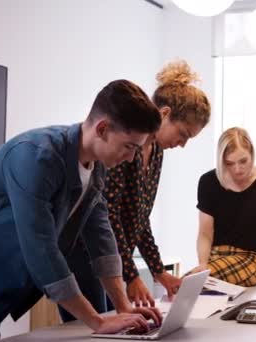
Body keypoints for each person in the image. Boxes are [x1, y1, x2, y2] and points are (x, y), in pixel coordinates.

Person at [0, 80, 164, 341]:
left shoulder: (95, 168)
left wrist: (123, 307)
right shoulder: (36, 157)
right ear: (102, 129)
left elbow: (101, 238)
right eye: (129, 147)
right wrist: (97, 321)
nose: (131, 158)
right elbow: (41, 249)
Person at [60, 60, 211, 322]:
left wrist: (158, 271)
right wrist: (130, 275)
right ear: (164, 114)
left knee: (121, 324)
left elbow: (140, 217)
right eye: (183, 134)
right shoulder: (124, 149)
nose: (183, 144)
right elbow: (107, 216)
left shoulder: (157, 153)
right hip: (87, 254)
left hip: (115, 260)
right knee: (94, 329)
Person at [192, 127, 256, 288]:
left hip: (252, 259)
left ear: (252, 153)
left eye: (243, 161)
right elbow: (205, 233)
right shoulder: (208, 182)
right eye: (229, 163)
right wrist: (203, 264)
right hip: (216, 258)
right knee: (189, 283)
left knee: (190, 283)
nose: (237, 169)